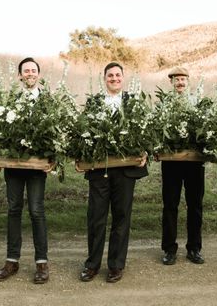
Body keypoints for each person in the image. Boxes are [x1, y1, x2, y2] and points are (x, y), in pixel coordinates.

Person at [79, 62, 148, 283]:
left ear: (123, 78)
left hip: (126, 170)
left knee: (121, 217)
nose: (114, 78)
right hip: (100, 170)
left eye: (118, 75)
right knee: (96, 217)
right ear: (104, 78)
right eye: (110, 75)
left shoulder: (134, 102)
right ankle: (92, 265)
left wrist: (144, 151)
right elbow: (84, 131)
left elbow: (144, 131)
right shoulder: (94, 102)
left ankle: (116, 265)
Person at [0, 57, 52, 285]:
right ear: (20, 75)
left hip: (36, 167)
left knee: (37, 211)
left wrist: (52, 158)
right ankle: (12, 261)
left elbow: (55, 133)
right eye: (25, 71)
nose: (30, 73)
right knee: (14, 209)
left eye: (33, 70)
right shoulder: (10, 100)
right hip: (14, 165)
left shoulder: (48, 100)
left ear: (38, 74)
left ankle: (42, 263)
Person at [158, 66, 205, 266]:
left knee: (195, 206)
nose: (180, 83)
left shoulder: (198, 103)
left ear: (188, 81)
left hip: (194, 162)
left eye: (183, 79)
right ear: (171, 83)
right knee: (170, 205)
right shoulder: (164, 104)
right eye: (176, 79)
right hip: (171, 163)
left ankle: (194, 248)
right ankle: (169, 249)